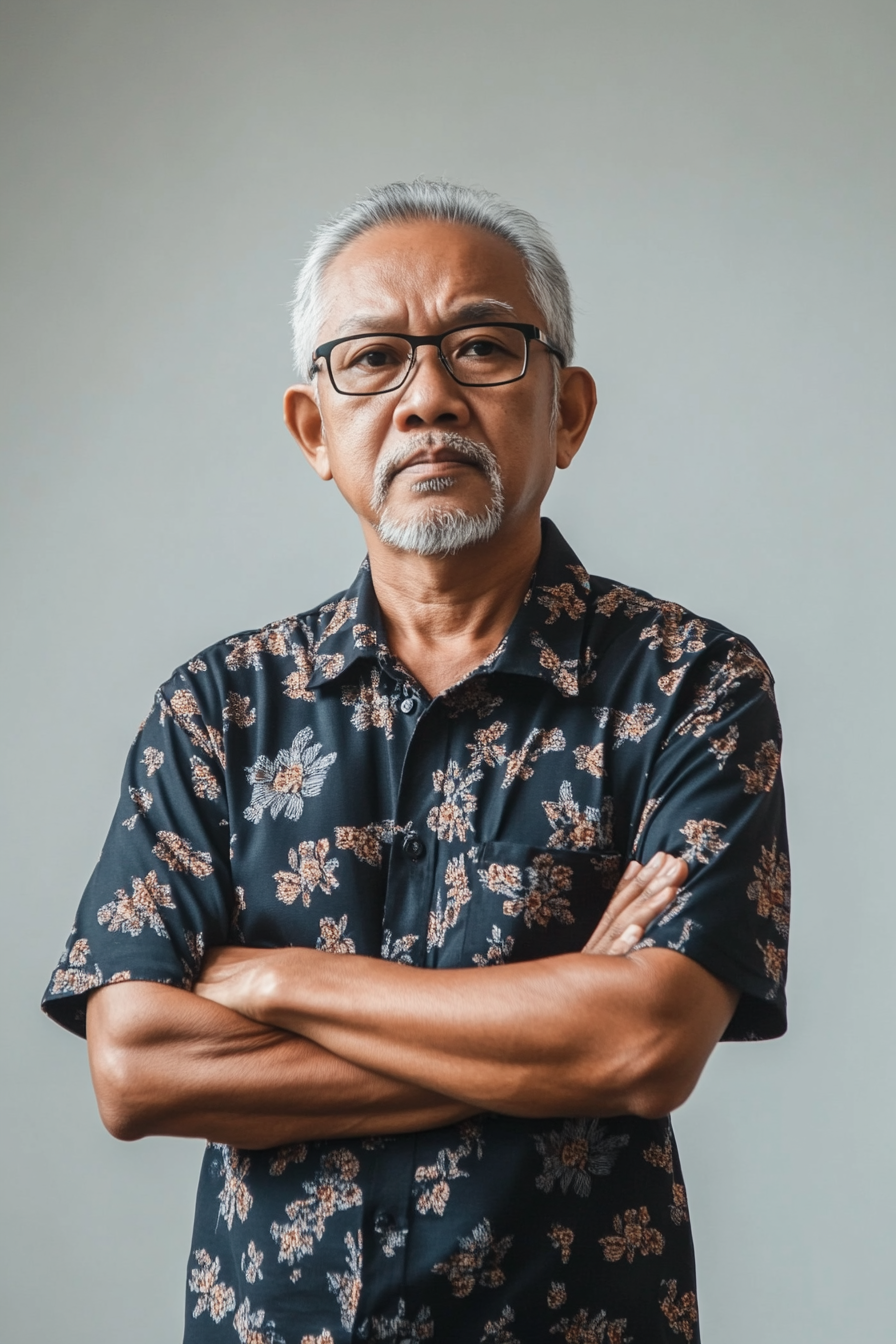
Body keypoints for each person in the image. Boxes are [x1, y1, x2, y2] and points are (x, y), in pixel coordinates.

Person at [42, 180, 790, 1344]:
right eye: (374, 360)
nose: (427, 397)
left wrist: (277, 983)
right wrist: (552, 1040)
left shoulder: (689, 683)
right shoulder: (219, 709)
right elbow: (138, 1071)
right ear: (313, 430)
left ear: (568, 412)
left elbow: (642, 1044)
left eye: (482, 348)